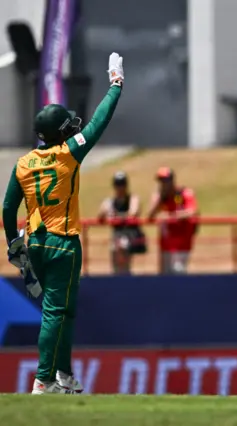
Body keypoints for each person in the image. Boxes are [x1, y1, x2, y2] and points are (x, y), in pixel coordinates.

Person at [2, 52, 124, 394]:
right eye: (67, 125)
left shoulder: (24, 162)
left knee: (63, 310)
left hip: (35, 243)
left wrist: (14, 246)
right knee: (55, 312)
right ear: (58, 132)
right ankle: (43, 381)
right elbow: (100, 120)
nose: (73, 126)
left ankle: (65, 376)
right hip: (63, 242)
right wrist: (116, 82)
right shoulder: (69, 153)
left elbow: (8, 206)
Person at [148, 167, 198, 274]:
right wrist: (160, 200)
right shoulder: (159, 197)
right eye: (161, 181)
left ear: (172, 180)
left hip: (182, 243)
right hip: (166, 245)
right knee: (165, 275)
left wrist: (170, 216)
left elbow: (192, 211)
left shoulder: (181, 194)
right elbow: (150, 216)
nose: (163, 184)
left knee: (178, 271)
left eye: (165, 181)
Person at [97, 171, 145, 275]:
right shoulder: (110, 201)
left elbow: (133, 213)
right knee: (115, 260)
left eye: (122, 184)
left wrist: (116, 216)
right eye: (118, 184)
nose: (120, 187)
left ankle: (125, 280)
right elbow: (100, 216)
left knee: (123, 249)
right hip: (116, 236)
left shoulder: (132, 198)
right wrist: (108, 212)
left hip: (130, 235)